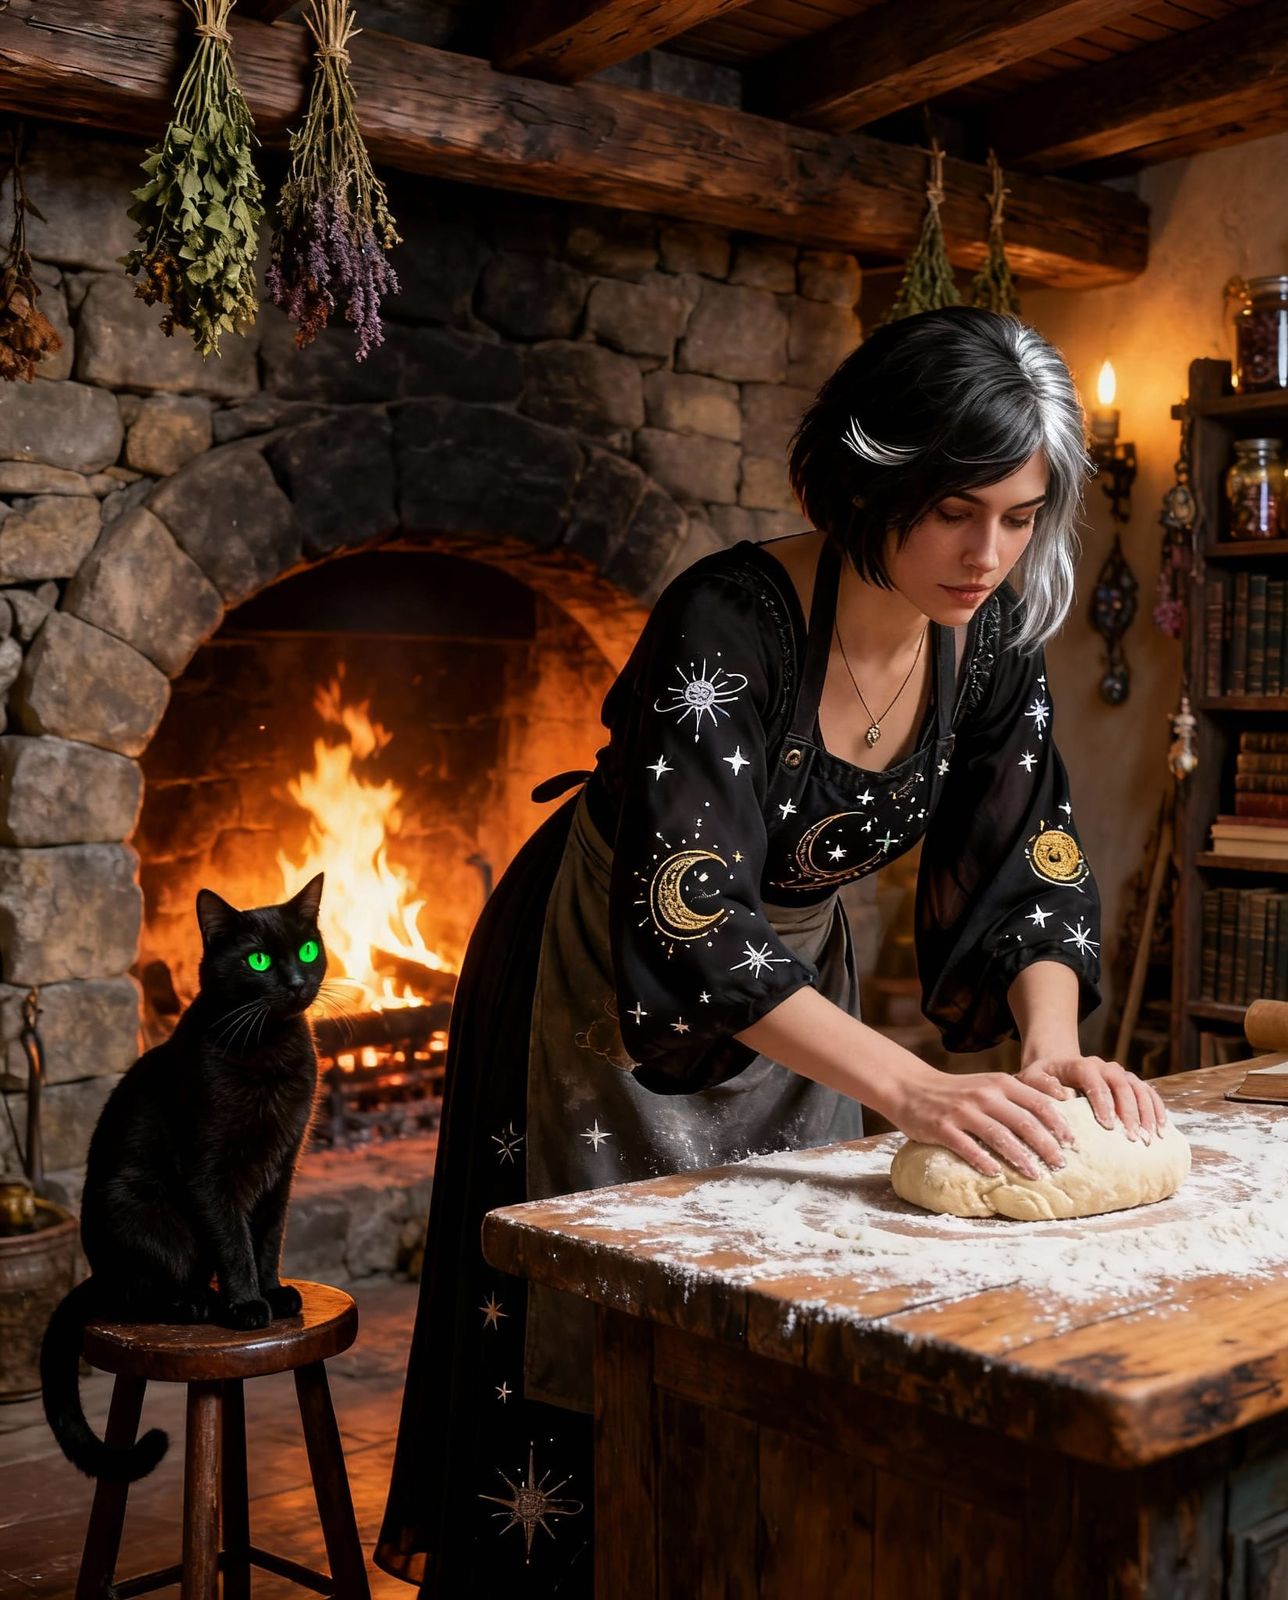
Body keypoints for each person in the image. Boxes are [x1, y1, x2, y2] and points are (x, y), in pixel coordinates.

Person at [376, 305, 1170, 1594]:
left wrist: (1048, 1048)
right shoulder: (728, 619)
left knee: (784, 1317)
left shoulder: (990, 640)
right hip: (605, 978)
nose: (988, 554)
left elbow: (1031, 848)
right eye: (955, 511)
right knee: (591, 1340)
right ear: (871, 482)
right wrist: (912, 1089)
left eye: (1020, 518)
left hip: (800, 999)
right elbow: (690, 915)